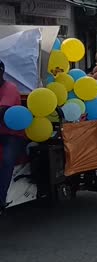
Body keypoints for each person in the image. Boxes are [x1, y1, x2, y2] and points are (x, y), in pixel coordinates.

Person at [0, 60, 28, 213]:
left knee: (6, 159)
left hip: (12, 135)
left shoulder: (9, 88)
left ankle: (1, 199)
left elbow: (2, 111)